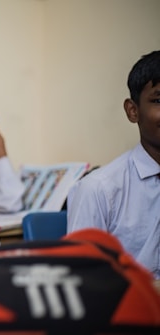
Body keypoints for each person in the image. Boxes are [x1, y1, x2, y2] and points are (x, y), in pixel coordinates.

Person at [67, 50, 160, 280]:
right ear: (133, 110)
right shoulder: (99, 189)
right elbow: (82, 278)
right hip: (130, 310)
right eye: (159, 100)